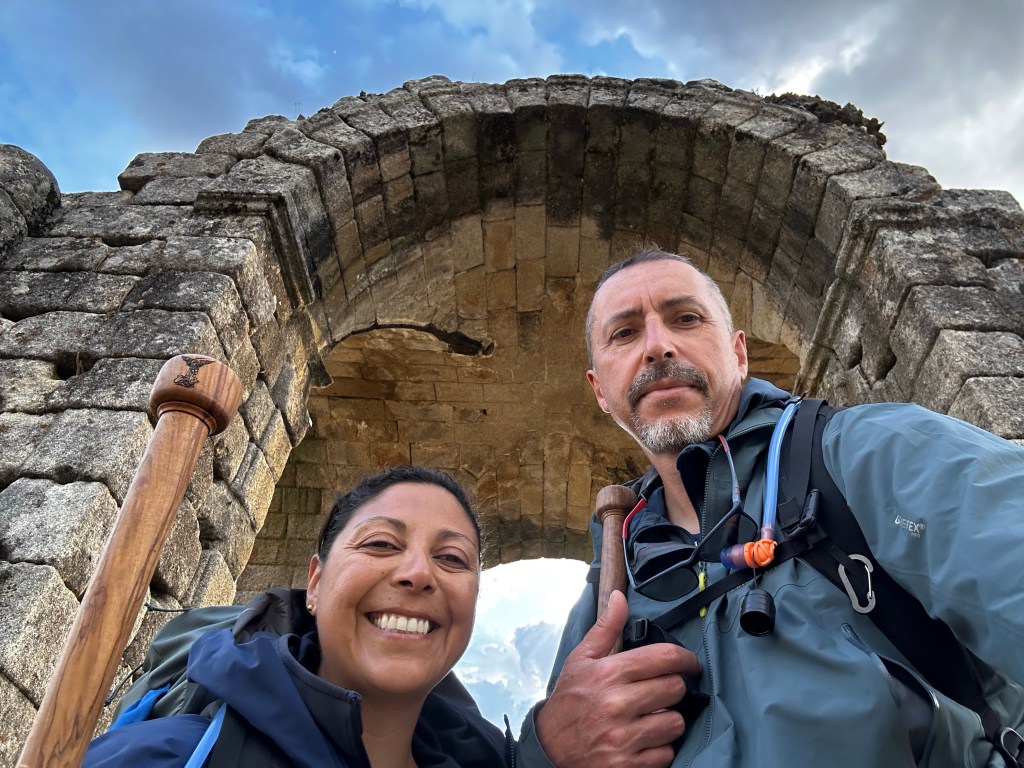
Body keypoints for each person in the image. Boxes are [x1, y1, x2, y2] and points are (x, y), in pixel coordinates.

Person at [517, 247, 1024, 768]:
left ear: (739, 354)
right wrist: (547, 748)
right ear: (600, 391)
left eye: (685, 318)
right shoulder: (608, 590)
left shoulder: (868, 451)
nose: (657, 346)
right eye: (624, 333)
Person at [84, 466, 510, 768]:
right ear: (316, 584)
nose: (418, 573)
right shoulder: (162, 756)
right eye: (381, 544)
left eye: (452, 558)